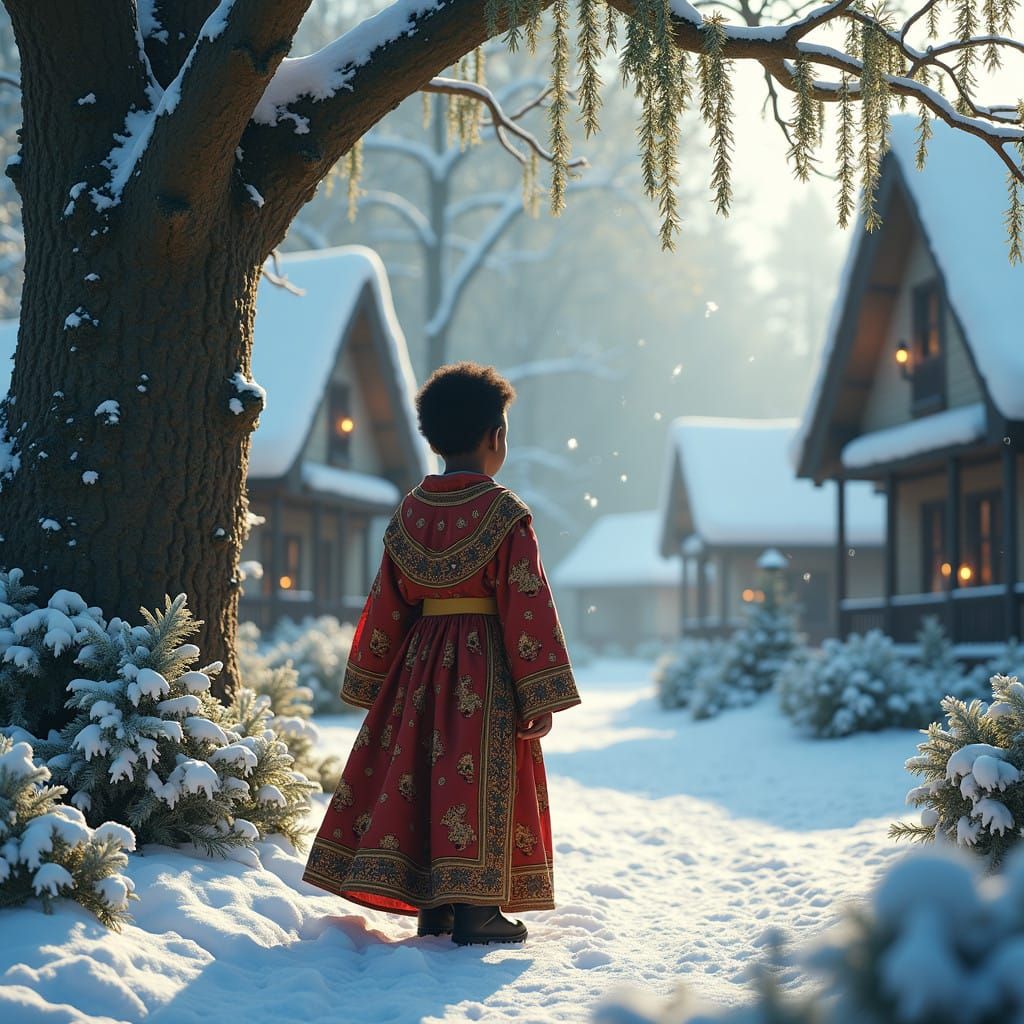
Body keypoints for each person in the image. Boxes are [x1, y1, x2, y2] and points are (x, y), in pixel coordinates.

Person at [301, 361, 582, 946]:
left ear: (433, 439)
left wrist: (374, 680)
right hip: (486, 667)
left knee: (423, 773)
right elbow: (525, 602)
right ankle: (478, 911)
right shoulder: (505, 513)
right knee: (477, 773)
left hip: (420, 667)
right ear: (495, 438)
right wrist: (540, 691)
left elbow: (386, 602)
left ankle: (436, 908)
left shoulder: (409, 512)